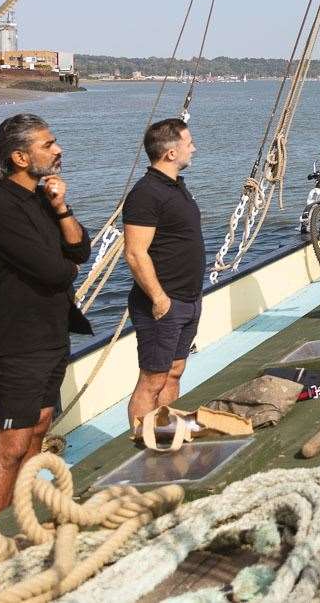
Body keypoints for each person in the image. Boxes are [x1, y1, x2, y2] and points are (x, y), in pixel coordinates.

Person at [0, 114, 92, 517]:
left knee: (39, 428)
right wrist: (66, 266)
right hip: (18, 344)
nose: (57, 150)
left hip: (52, 334)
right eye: (48, 145)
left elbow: (79, 252)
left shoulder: (42, 199)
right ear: (20, 157)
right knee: (11, 446)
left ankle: (18, 523)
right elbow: (56, 271)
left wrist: (60, 207)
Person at [122, 118, 204, 435]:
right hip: (163, 303)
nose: (193, 147)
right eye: (188, 142)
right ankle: (143, 443)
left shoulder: (175, 186)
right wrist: (158, 298)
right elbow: (135, 253)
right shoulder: (146, 194)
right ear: (170, 153)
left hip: (188, 298)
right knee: (153, 378)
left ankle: (165, 433)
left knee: (174, 372)